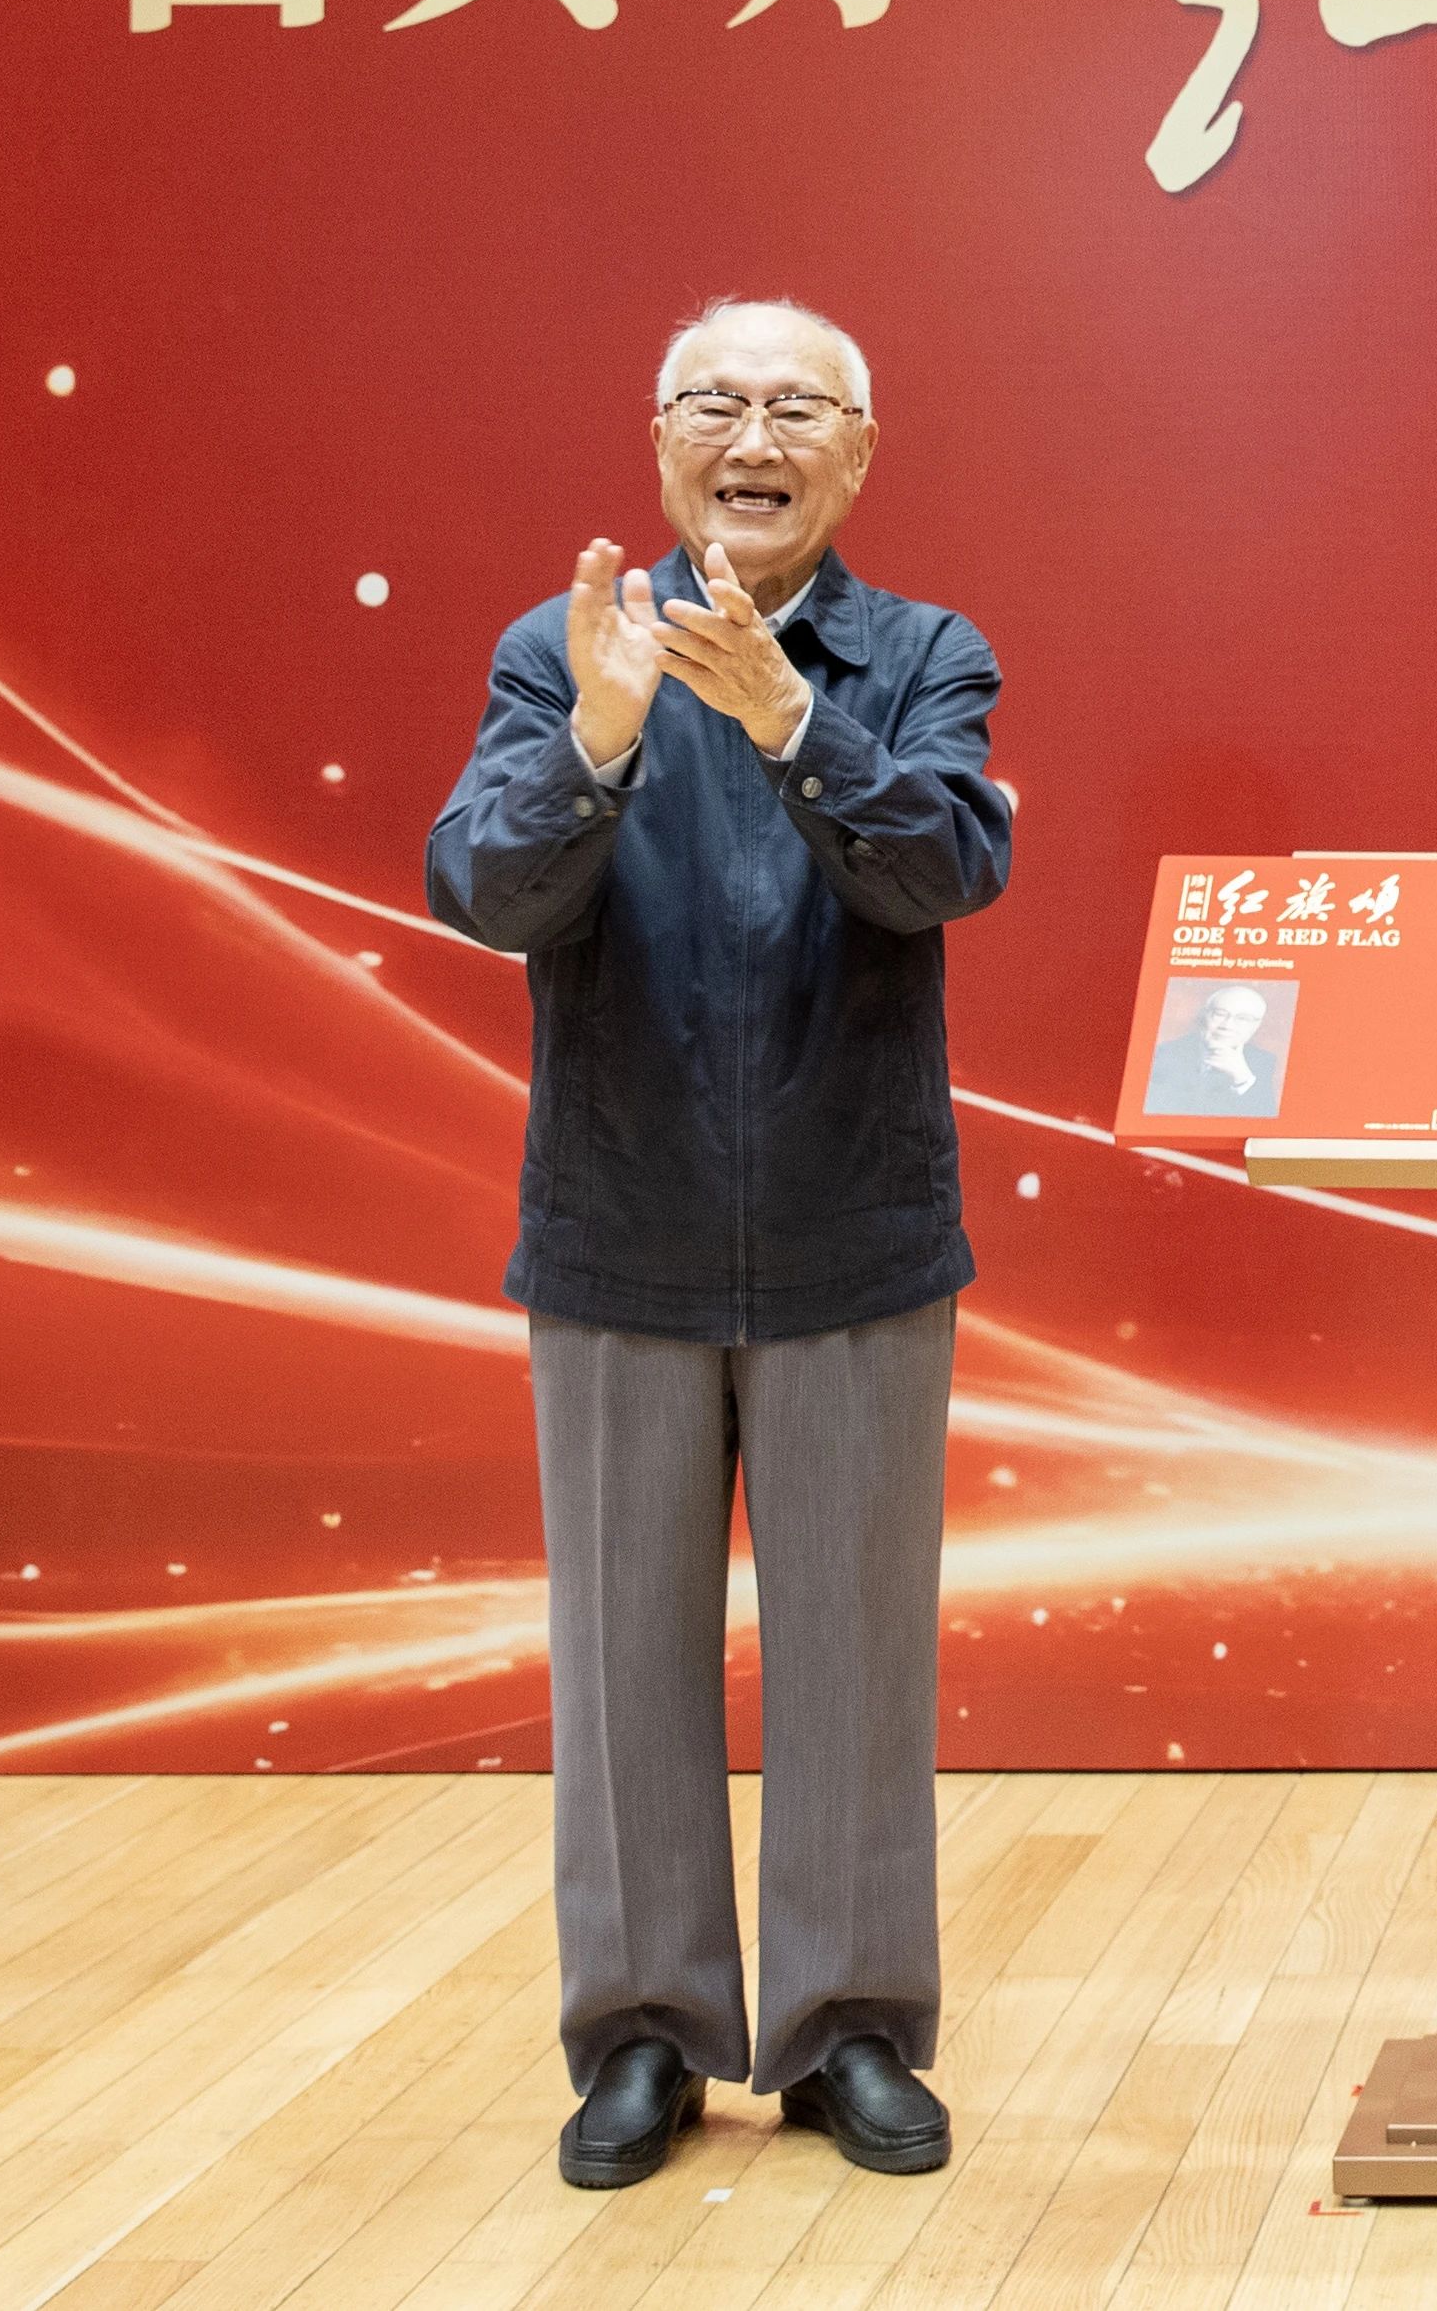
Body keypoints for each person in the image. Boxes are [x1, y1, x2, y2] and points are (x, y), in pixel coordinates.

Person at [427, 298, 1014, 2190]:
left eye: (794, 408)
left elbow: (947, 868)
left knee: (858, 1650)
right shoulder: (560, 651)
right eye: (714, 402)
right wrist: (599, 738)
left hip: (857, 1233)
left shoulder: (921, 655)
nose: (752, 437)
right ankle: (643, 2035)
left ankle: (849, 2029)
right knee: (620, 1661)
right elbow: (485, 890)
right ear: (661, 439)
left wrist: (791, 723)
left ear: (857, 453)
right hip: (622, 1230)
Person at [1144, 979, 1289, 1114]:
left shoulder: (1263, 1060)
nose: (1227, 1025)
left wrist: (1242, 1079)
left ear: (1256, 1025)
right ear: (1205, 1015)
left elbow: (1265, 1119)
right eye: (1219, 1014)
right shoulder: (1164, 1052)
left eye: (1243, 1018)